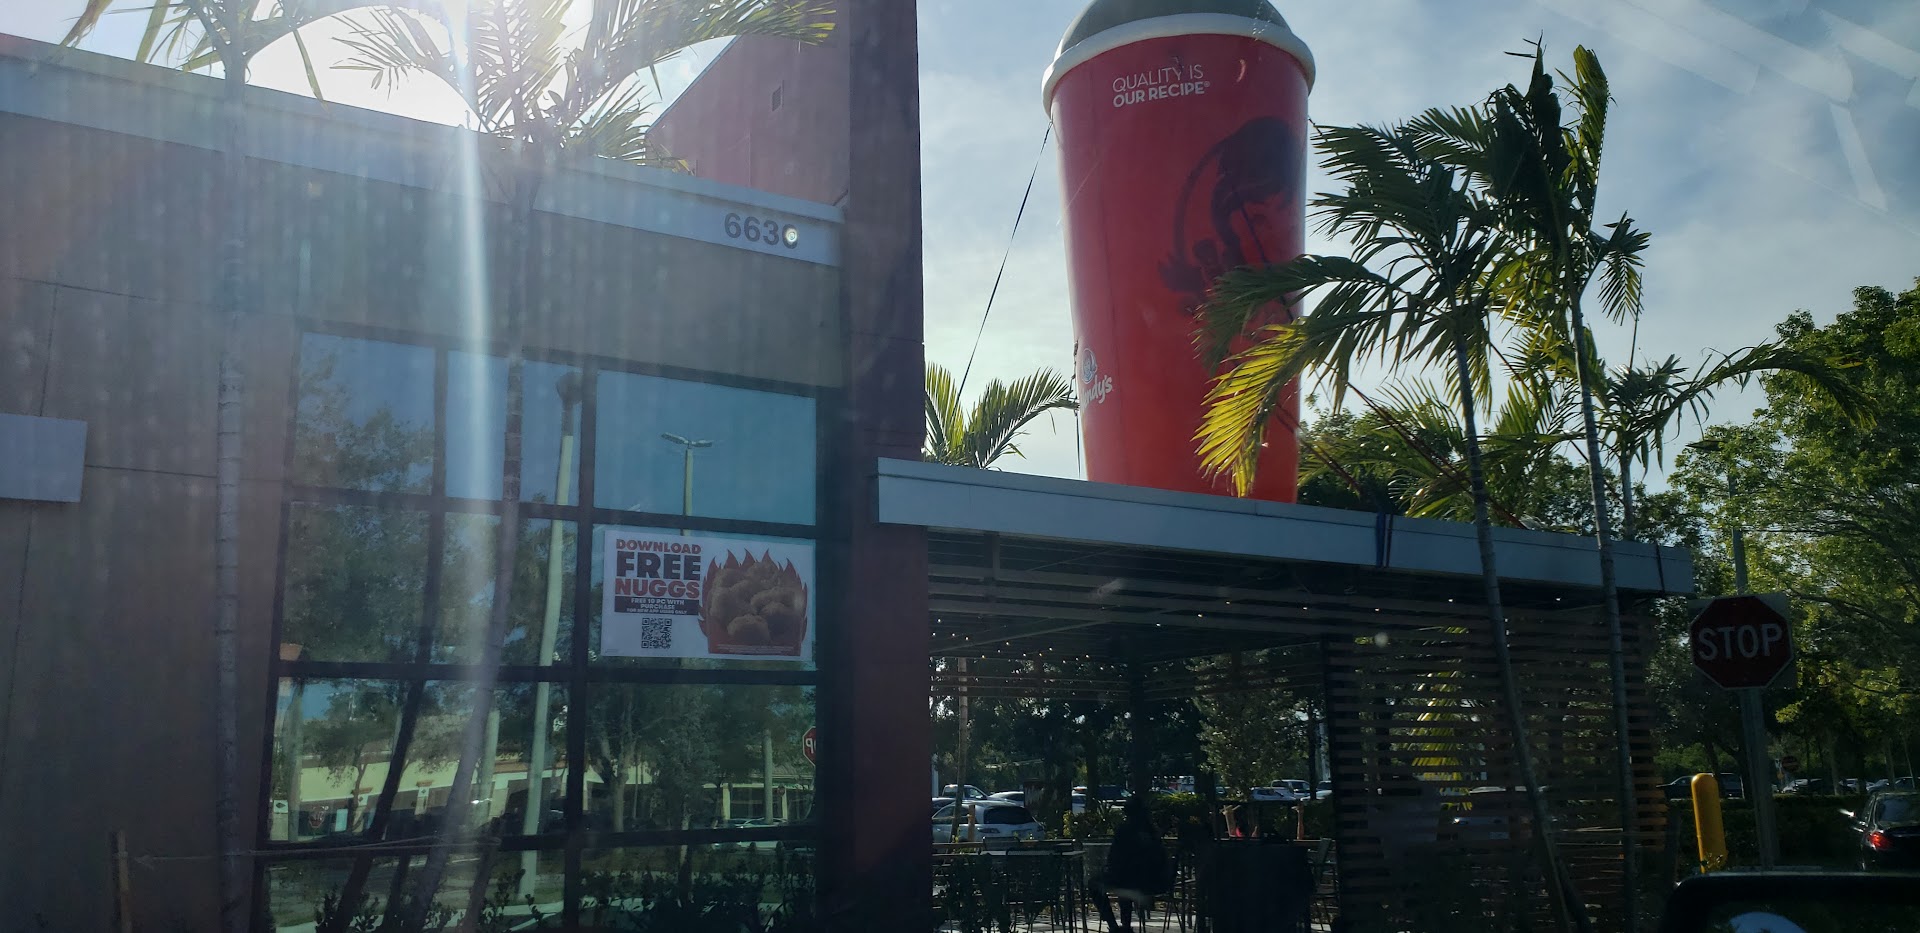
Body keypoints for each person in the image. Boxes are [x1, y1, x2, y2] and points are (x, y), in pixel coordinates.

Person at [1096, 801, 1172, 933]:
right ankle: (1124, 925)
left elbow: (1114, 857)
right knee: (1125, 883)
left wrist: (1109, 869)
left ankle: (1113, 924)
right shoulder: (1152, 832)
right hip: (1153, 882)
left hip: (1131, 881)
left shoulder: (1124, 831)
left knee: (1096, 885)